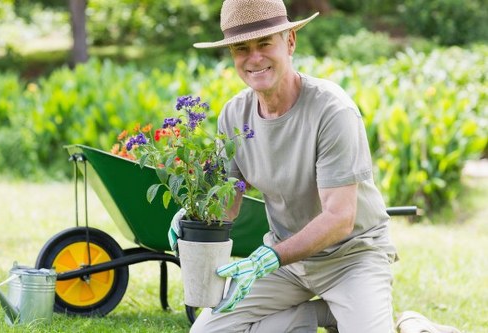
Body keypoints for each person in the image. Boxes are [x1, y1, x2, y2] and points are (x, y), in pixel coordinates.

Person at [168, 1, 462, 332]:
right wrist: (195, 218)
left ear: (290, 41)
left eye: (264, 43)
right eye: (241, 48)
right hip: (286, 263)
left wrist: (273, 256)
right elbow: (229, 204)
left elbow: (340, 219)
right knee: (206, 331)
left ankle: (409, 325)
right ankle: (327, 315)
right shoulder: (234, 116)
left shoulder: (331, 111)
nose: (254, 58)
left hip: (351, 258)